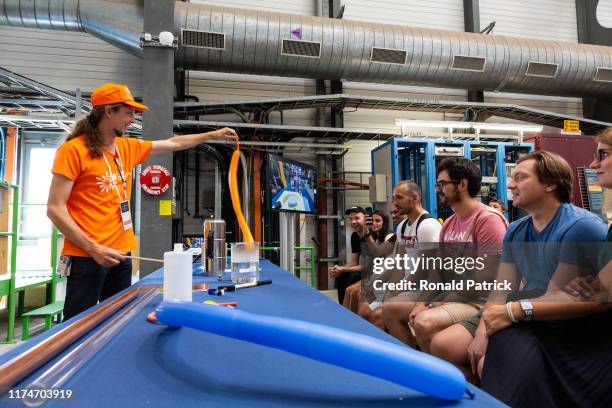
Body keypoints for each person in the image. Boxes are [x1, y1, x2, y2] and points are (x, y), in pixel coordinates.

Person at [47, 83, 238, 320]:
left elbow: (174, 143)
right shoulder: (73, 151)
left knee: (116, 321)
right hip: (88, 257)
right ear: (109, 111)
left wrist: (212, 135)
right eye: (128, 112)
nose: (132, 118)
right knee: (78, 325)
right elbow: (55, 208)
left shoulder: (125, 148)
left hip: (121, 254)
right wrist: (92, 247)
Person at [462, 150, 609, 407]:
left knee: (496, 354)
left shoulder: (580, 226)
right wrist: (483, 331)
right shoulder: (518, 228)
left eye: (520, 178)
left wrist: (513, 311)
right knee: (449, 344)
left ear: (550, 184)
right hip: (538, 311)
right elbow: (502, 287)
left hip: (565, 325)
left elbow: (562, 298)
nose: (510, 185)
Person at [408, 158, 507, 353]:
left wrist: (442, 301)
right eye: (438, 184)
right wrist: (420, 303)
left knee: (424, 322)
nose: (438, 189)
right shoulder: (449, 224)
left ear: (462, 184)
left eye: (443, 184)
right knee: (395, 308)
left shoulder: (487, 220)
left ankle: (449, 377)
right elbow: (439, 270)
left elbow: (486, 278)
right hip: (456, 295)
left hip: (480, 301)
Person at [379, 181, 442, 346]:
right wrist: (391, 290)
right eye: (393, 198)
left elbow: (426, 269)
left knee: (387, 310)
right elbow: (399, 263)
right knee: (371, 304)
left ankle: (411, 357)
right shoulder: (402, 227)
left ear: (414, 198)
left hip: (429, 289)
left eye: (399, 198)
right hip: (411, 286)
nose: (394, 203)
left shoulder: (427, 225)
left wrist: (401, 289)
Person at [342, 210, 393, 315]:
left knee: (358, 294)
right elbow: (369, 262)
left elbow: (378, 253)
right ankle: (345, 321)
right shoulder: (374, 238)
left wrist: (367, 234)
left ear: (385, 222)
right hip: (376, 275)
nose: (374, 223)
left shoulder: (390, 236)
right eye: (372, 221)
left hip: (387, 277)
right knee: (348, 290)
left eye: (378, 221)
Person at [330, 206, 368, 304]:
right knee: (341, 276)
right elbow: (353, 262)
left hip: (376, 270)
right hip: (365, 269)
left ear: (366, 219)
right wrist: (339, 269)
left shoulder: (371, 235)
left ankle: (352, 308)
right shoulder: (355, 236)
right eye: (351, 219)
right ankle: (343, 308)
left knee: (353, 277)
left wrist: (343, 269)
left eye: (357, 218)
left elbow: (369, 266)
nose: (353, 222)